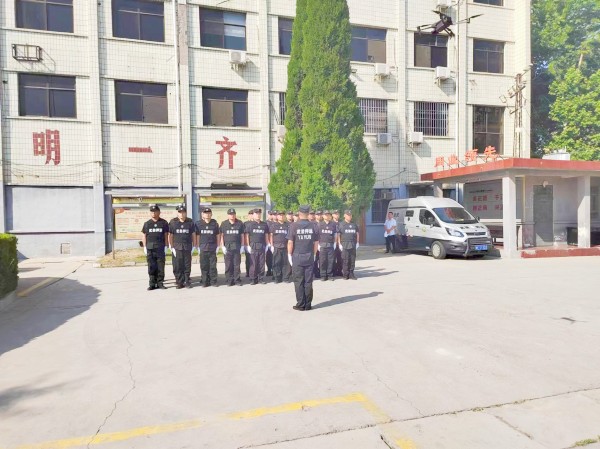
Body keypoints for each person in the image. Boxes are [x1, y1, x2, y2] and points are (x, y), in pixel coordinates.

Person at [287, 205, 319, 311]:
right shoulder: (314, 225)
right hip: (309, 256)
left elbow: (290, 242)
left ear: (299, 213)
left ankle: (301, 304)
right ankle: (308, 304)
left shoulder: (293, 226)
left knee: (298, 281)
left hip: (297, 256)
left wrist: (289, 255)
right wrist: (314, 254)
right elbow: (316, 243)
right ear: (308, 213)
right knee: (308, 281)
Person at [141, 204, 169, 290]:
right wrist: (144, 247)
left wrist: (166, 246)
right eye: (152, 212)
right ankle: (152, 283)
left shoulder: (164, 223)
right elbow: (144, 236)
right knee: (151, 266)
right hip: (150, 248)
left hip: (160, 247)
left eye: (155, 211)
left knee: (160, 266)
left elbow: (166, 235)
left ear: (159, 212)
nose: (153, 213)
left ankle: (160, 283)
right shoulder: (147, 224)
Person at [169, 204, 196, 289]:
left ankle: (187, 281)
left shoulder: (190, 222)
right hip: (177, 247)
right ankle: (179, 282)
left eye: (183, 212)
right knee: (178, 265)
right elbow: (170, 235)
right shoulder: (173, 223)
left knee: (187, 265)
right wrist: (171, 247)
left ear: (186, 213)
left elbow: (193, 234)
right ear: (177, 213)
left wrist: (194, 246)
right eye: (180, 212)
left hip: (187, 247)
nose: (181, 214)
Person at [220, 208, 245, 286]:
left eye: (233, 214)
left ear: (235, 215)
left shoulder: (240, 223)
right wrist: (222, 246)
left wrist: (242, 246)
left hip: (237, 246)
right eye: (230, 214)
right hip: (227, 247)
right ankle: (229, 280)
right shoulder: (224, 223)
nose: (232, 215)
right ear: (228, 215)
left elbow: (242, 235)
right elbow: (221, 235)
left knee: (236, 264)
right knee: (228, 265)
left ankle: (237, 280)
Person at [245, 208, 270, 285]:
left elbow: (266, 235)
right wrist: (247, 245)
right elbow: (247, 235)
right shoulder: (250, 225)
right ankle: (253, 279)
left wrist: (267, 244)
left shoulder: (264, 224)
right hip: (253, 246)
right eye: (256, 214)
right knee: (253, 263)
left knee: (261, 263)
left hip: (262, 245)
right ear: (253, 215)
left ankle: (261, 278)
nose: (258, 215)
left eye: (259, 214)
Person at [196, 207, 220, 287]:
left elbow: (217, 235)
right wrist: (197, 246)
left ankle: (213, 281)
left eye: (209, 213)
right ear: (202, 214)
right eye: (205, 213)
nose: (207, 215)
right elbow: (198, 236)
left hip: (212, 248)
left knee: (213, 266)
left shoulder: (215, 224)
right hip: (203, 248)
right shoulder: (198, 224)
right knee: (204, 266)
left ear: (211, 214)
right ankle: (205, 281)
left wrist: (218, 246)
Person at [337, 209, 359, 280]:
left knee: (352, 260)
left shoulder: (354, 224)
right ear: (344, 215)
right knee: (345, 260)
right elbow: (338, 235)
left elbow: (357, 234)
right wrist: (339, 244)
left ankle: (351, 273)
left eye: (350, 215)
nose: (349, 216)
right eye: (348, 215)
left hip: (353, 244)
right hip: (344, 244)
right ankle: (345, 274)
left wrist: (357, 242)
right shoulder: (341, 224)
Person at [269, 211, 289, 284]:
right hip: (276, 247)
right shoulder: (274, 225)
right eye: (280, 215)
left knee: (285, 263)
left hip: (285, 247)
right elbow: (271, 236)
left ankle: (285, 278)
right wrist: (271, 245)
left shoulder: (288, 225)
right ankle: (277, 278)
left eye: (282, 215)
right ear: (277, 216)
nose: (281, 216)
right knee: (276, 263)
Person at [318, 210, 337, 281]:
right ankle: (323, 275)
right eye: (326, 215)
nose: (327, 216)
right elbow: (317, 235)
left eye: (328, 215)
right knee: (322, 261)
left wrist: (335, 243)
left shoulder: (333, 224)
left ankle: (330, 275)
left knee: (330, 261)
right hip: (322, 245)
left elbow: (335, 234)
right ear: (323, 216)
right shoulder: (319, 225)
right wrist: (318, 245)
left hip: (330, 245)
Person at [332, 210, 343, 277]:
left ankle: (339, 271)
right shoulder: (331, 223)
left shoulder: (341, 223)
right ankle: (333, 271)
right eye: (335, 214)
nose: (337, 215)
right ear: (332, 215)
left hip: (340, 243)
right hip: (333, 244)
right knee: (333, 258)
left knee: (340, 258)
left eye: (338, 214)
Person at [243, 210, 254, 278]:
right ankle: (248, 272)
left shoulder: (257, 223)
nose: (251, 215)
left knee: (255, 259)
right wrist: (246, 245)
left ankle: (254, 272)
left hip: (255, 244)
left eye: (252, 214)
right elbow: (244, 235)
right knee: (248, 259)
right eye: (250, 214)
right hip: (248, 244)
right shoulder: (245, 223)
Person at [265, 210, 274, 277]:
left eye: (272, 214)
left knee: (274, 258)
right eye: (270, 214)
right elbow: (266, 234)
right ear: (268, 215)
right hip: (268, 243)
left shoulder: (275, 222)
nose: (271, 216)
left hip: (274, 243)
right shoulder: (265, 223)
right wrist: (268, 243)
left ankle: (273, 270)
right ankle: (269, 270)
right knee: (268, 258)